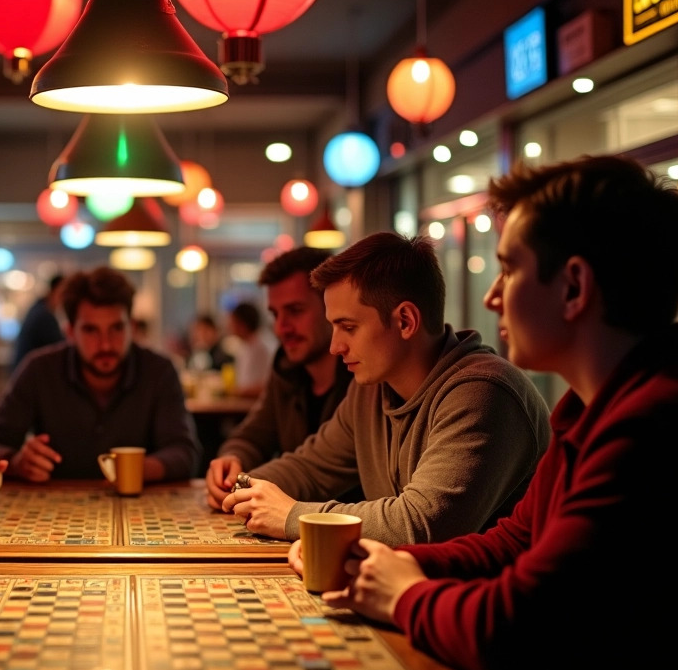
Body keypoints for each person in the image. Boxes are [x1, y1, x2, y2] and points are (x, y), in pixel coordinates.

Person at [294, 155, 678, 670]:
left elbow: (516, 630)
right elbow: (514, 542)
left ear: (574, 288)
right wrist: (383, 564)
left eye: (510, 269)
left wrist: (404, 594)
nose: (491, 296)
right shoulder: (594, 409)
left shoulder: (657, 423)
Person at [223, 231, 550, 545]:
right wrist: (239, 485)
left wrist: (292, 516)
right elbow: (312, 467)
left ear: (406, 321)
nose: (336, 347)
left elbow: (421, 525)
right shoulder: (371, 389)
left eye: (347, 327)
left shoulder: (482, 392)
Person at [0, 266, 200, 482]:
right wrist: (18, 462)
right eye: (91, 330)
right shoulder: (40, 369)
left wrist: (135, 471)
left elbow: (185, 453)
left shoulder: (159, 370)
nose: (106, 344)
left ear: (131, 327)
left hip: (142, 507)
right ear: (70, 332)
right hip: (56, 509)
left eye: (116, 328)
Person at [205, 247, 352, 509]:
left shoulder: (364, 377)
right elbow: (252, 436)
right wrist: (232, 460)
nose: (281, 328)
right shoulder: (286, 370)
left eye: (295, 311)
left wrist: (247, 485)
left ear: (331, 307)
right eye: (275, 314)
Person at [11, 273, 65, 370]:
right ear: (53, 291)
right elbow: (60, 346)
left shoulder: (38, 309)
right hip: (28, 373)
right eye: (62, 294)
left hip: (24, 371)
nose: (64, 299)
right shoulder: (43, 315)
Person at [223, 301, 274, 398]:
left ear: (242, 324)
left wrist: (237, 391)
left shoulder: (262, 347)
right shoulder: (246, 346)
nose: (229, 326)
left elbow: (268, 385)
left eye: (232, 321)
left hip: (254, 404)